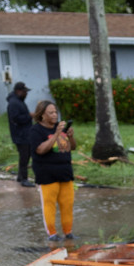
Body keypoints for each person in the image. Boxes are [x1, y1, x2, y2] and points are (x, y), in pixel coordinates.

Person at [27, 100, 76, 241]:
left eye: (55, 112)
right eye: (51, 112)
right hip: (47, 174)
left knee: (67, 204)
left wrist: (71, 136)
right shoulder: (35, 131)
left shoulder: (61, 128)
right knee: (49, 205)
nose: (55, 115)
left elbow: (71, 147)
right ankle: (53, 234)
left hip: (65, 172)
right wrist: (56, 134)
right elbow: (41, 150)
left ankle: (68, 233)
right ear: (42, 115)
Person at [6, 82, 33, 186]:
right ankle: (24, 180)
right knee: (24, 156)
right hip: (20, 135)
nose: (26, 94)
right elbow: (16, 119)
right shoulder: (14, 103)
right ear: (19, 91)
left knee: (25, 155)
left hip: (25, 134)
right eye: (25, 92)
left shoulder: (19, 101)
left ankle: (20, 177)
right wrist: (29, 116)